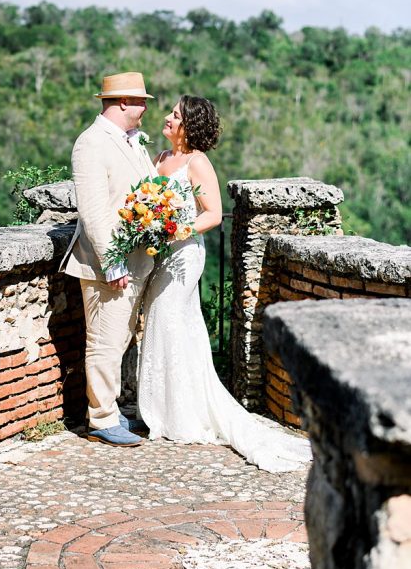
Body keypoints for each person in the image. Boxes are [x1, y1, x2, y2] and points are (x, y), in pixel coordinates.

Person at [138, 94, 312, 473]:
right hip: (161, 254)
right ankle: (163, 411)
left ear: (189, 125)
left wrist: (175, 230)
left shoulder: (197, 163)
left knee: (171, 318)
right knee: (163, 322)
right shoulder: (161, 160)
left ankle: (184, 414)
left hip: (184, 255)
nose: (167, 117)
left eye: (175, 114)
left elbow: (213, 214)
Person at [61, 72, 157, 447]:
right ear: (121, 103)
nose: (145, 107)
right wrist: (112, 262)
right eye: (140, 101)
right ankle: (100, 417)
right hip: (108, 265)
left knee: (119, 339)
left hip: (137, 261)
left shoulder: (133, 143)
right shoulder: (90, 144)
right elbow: (94, 212)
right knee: (104, 338)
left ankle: (112, 409)